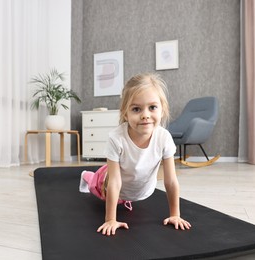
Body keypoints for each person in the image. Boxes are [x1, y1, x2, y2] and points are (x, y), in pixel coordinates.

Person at [80, 73, 191, 236]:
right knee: (95, 183)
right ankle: (87, 176)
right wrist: (110, 219)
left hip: (139, 188)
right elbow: (115, 181)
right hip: (109, 180)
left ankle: (118, 189)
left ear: (162, 110)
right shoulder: (116, 138)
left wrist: (175, 215)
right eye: (136, 109)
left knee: (121, 186)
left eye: (152, 107)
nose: (145, 115)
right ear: (125, 113)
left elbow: (171, 180)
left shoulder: (164, 137)